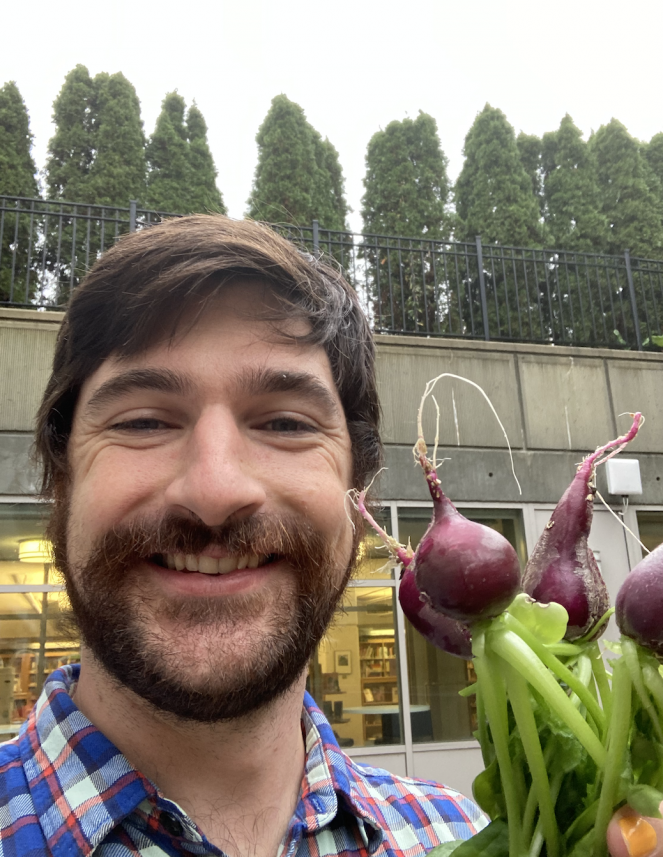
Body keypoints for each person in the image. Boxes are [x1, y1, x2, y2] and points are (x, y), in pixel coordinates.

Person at [0, 215, 656, 857]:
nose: (215, 489)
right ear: (60, 478)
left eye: (285, 424)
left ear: (356, 493)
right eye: (143, 421)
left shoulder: (455, 832)